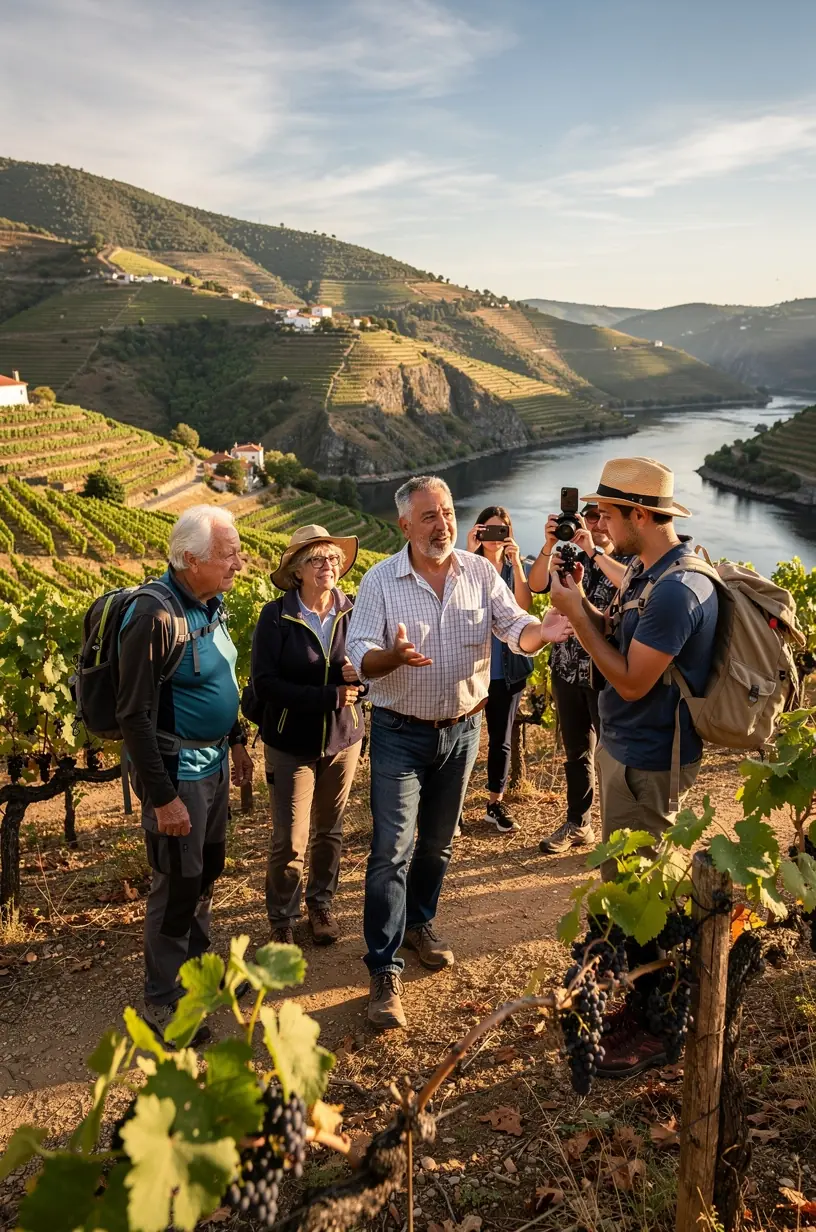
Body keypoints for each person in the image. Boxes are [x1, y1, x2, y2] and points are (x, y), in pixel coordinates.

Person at [346, 475, 573, 1029]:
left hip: (462, 732)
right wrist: (389, 658)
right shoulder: (380, 580)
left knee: (438, 845)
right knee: (391, 850)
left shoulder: (478, 573)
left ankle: (420, 923)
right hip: (400, 732)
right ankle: (383, 967)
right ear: (404, 525)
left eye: (446, 512)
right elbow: (358, 651)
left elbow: (511, 623)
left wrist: (538, 633)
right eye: (428, 516)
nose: (442, 524)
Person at [548, 457, 718, 1077]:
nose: (600, 524)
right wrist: (584, 585)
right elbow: (618, 639)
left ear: (640, 516)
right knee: (630, 888)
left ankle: (657, 1024)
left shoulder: (677, 590)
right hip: (628, 751)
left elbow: (630, 679)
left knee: (647, 896)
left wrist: (571, 614)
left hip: (650, 762)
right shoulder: (654, 568)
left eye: (609, 515)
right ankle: (648, 1005)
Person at [116, 505, 254, 1046]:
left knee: (206, 871)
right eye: (228, 554)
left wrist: (238, 739)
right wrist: (162, 797)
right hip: (178, 772)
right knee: (175, 881)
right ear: (190, 558)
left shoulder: (209, 602)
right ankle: (163, 999)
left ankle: (198, 974)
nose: (238, 564)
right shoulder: (155, 616)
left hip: (214, 764)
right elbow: (133, 716)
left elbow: (220, 676)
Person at [250, 525, 365, 947]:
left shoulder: (354, 610)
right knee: (291, 837)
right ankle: (282, 917)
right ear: (297, 570)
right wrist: (328, 695)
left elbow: (370, 669)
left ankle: (320, 905)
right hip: (290, 743)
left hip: (343, 739)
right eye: (317, 560)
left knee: (330, 830)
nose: (328, 567)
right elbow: (265, 684)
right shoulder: (274, 616)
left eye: (333, 559)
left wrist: (362, 678)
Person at [528, 505, 630, 853]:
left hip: (605, 675)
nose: (597, 525)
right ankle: (579, 823)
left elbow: (621, 599)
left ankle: (618, 834)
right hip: (565, 669)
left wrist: (595, 553)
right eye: (590, 518)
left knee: (614, 756)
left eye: (604, 518)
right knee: (576, 753)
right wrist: (550, 549)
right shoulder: (569, 556)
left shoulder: (627, 563)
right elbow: (537, 585)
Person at [465, 505, 533, 833]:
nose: (495, 538)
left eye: (501, 531)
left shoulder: (511, 568)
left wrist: (517, 562)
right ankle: (453, 807)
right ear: (479, 533)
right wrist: (466, 552)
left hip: (506, 671)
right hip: (469, 672)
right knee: (459, 740)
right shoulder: (466, 566)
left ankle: (494, 803)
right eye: (488, 531)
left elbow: (523, 607)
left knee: (500, 740)